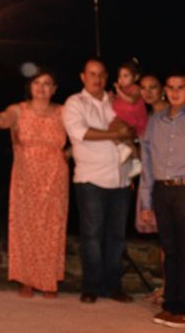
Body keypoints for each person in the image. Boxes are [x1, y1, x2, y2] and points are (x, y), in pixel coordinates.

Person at [0, 69, 68, 298]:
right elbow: (2, 121)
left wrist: (70, 153)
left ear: (54, 89)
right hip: (26, 177)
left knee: (52, 227)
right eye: (37, 83)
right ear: (30, 87)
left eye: (47, 84)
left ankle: (49, 281)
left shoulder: (64, 112)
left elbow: (80, 133)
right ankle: (27, 280)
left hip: (55, 177)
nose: (42, 88)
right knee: (26, 227)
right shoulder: (18, 110)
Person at [62, 57, 136, 304]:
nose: (97, 78)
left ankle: (112, 286)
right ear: (83, 77)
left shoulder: (116, 101)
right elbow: (80, 133)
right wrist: (117, 133)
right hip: (91, 179)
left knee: (116, 236)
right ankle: (91, 286)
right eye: (92, 74)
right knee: (92, 235)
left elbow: (133, 127)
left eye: (102, 74)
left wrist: (127, 131)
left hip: (122, 179)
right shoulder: (75, 102)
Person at [139, 71, 185, 329]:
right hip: (162, 190)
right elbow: (147, 165)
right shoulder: (155, 121)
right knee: (170, 251)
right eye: (171, 87)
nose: (175, 92)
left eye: (180, 87)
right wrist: (145, 203)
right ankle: (170, 304)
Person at [134, 73, 168, 235]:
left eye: (152, 87)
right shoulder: (146, 119)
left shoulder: (174, 114)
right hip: (151, 181)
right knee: (165, 237)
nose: (147, 92)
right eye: (143, 88)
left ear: (162, 89)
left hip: (174, 183)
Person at [111, 60, 147, 175]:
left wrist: (119, 91)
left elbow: (131, 100)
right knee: (128, 142)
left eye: (126, 76)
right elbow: (117, 104)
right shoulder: (123, 91)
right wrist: (112, 98)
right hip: (123, 122)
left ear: (136, 77)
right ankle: (136, 163)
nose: (121, 79)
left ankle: (124, 149)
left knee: (109, 129)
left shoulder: (135, 88)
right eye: (120, 76)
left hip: (132, 121)